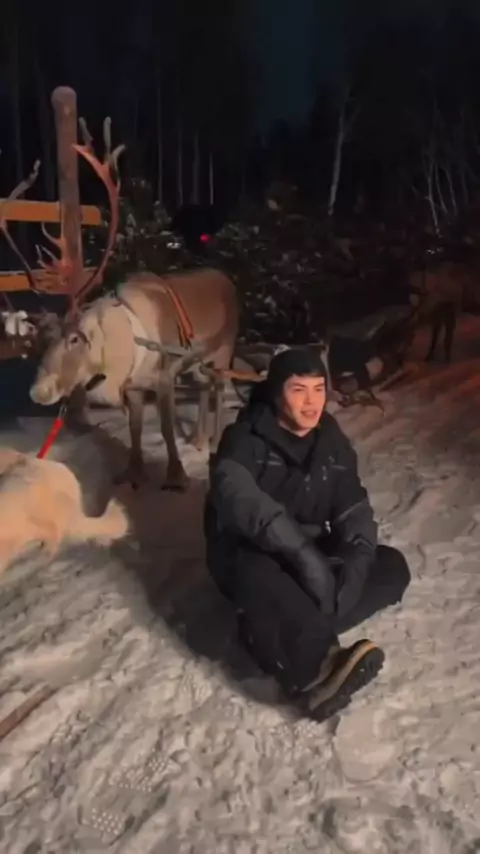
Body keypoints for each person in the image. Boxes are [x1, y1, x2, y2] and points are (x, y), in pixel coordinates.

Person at [204, 347, 411, 722]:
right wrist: (303, 555)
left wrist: (355, 565)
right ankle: (318, 672)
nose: (311, 402)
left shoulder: (330, 441)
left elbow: (353, 508)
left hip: (309, 553)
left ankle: (270, 631)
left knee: (390, 566)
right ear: (276, 393)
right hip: (251, 553)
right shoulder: (244, 438)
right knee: (258, 571)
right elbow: (239, 498)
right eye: (298, 390)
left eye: (318, 389)